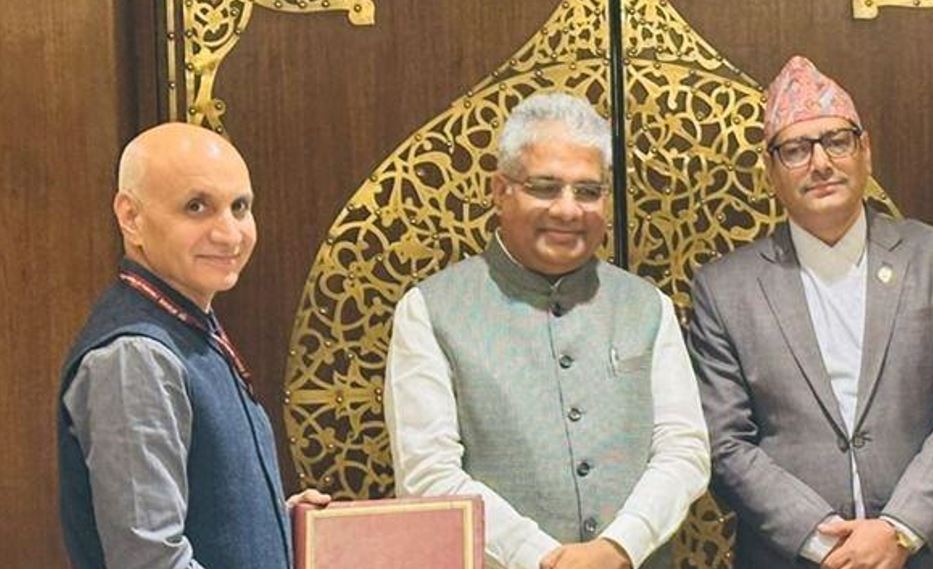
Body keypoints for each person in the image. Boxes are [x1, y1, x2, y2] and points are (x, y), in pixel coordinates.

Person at [687, 55, 933, 568]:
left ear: (865, 151)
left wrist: (898, 530)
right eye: (796, 149)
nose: (821, 163)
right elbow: (724, 442)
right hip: (794, 557)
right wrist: (822, 542)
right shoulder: (725, 289)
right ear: (770, 171)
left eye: (837, 141)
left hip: (929, 553)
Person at [384, 92, 710, 569]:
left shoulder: (647, 305)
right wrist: (542, 558)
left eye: (588, 191)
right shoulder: (429, 311)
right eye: (545, 187)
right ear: (500, 191)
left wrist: (620, 547)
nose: (568, 210)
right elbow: (427, 475)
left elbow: (684, 449)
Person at [58, 122, 329, 569]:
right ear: (131, 217)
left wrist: (275, 526)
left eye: (240, 207)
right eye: (197, 207)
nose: (229, 234)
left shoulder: (186, 324)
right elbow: (151, 560)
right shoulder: (135, 357)